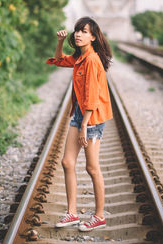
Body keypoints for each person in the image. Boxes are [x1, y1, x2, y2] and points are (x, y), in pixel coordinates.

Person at [46, 16, 113, 231]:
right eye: (77, 30)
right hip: (79, 114)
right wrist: (59, 42)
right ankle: (72, 213)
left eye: (84, 31)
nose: (78, 34)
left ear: (93, 37)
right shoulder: (79, 57)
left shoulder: (92, 60)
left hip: (91, 118)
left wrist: (84, 125)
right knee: (67, 162)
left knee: (92, 167)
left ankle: (99, 216)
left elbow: (92, 97)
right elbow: (57, 61)